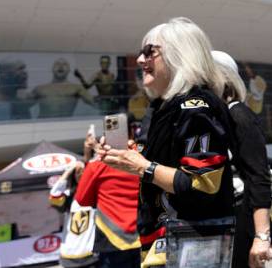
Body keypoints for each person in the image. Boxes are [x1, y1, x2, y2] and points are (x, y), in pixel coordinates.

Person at [97, 18, 236, 268]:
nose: (140, 60)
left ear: (178, 54)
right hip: (165, 242)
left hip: (192, 244)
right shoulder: (162, 107)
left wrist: (143, 167)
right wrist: (126, 159)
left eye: (150, 52)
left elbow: (202, 184)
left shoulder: (196, 107)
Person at [211, 51, 271, 268]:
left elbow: (259, 176)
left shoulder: (239, 114)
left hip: (242, 218)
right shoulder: (217, 117)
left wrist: (261, 237)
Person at [76, 138, 141, 268]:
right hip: (143, 233)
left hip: (112, 238)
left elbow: (82, 199)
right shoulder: (142, 161)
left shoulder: (96, 165)